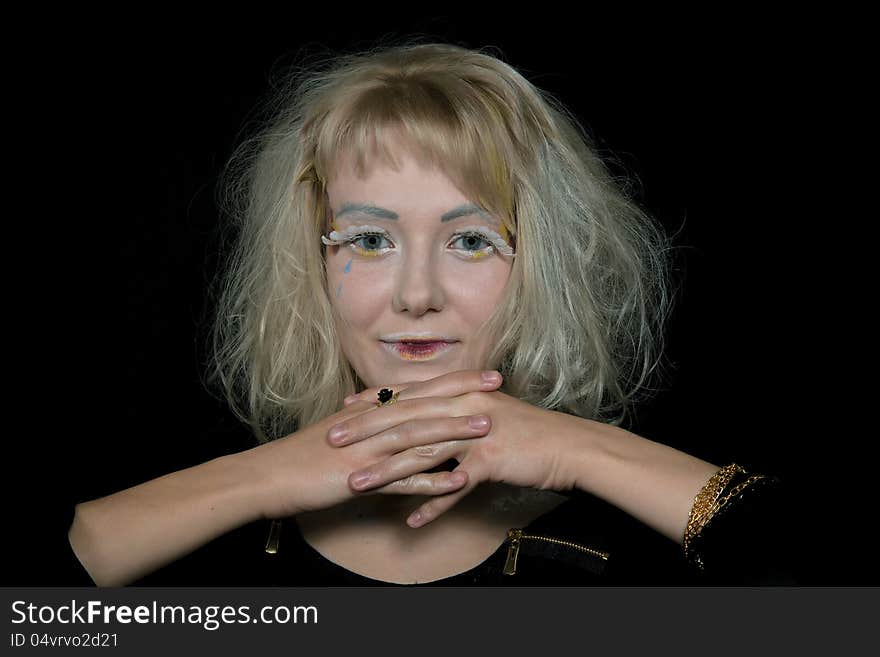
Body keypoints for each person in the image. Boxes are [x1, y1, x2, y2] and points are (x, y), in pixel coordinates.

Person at [66, 40, 797, 586]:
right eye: (370, 239)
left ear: (540, 267)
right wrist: (261, 478)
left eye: (472, 240)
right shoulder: (206, 563)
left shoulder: (625, 561)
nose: (417, 295)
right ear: (310, 263)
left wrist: (579, 450)